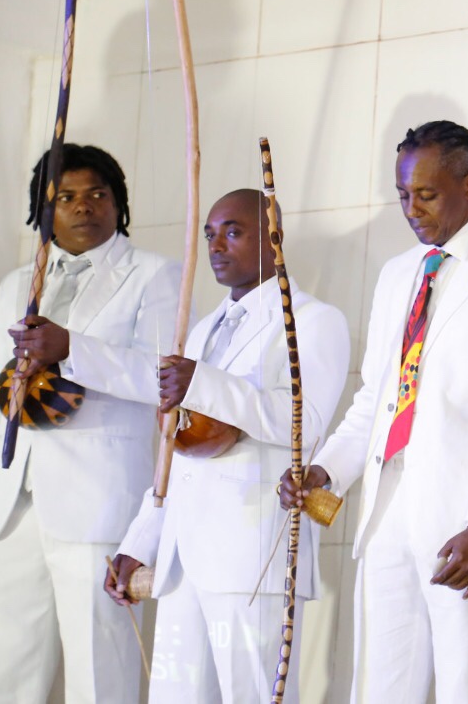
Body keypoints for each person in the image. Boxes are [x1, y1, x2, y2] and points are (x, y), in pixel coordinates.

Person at [280, 121, 468, 703]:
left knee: (467, 689)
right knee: (381, 688)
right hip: (389, 511)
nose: (410, 208)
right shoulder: (398, 273)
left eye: (425, 194)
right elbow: (378, 400)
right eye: (403, 194)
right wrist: (325, 470)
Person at [103, 190, 350, 702]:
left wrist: (203, 384)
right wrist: (139, 541)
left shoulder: (313, 320)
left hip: (254, 555)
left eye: (233, 232)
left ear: (273, 238)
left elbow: (301, 422)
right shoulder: (201, 331)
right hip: (180, 560)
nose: (217, 245)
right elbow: (175, 452)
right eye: (210, 234)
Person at [0, 144, 182, 703]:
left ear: (118, 202)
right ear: (43, 208)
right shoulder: (16, 283)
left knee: (100, 668)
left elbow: (165, 379)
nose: (83, 208)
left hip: (96, 500)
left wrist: (72, 347)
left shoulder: (156, 276)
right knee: (12, 662)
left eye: (98, 195)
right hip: (14, 500)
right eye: (66, 197)